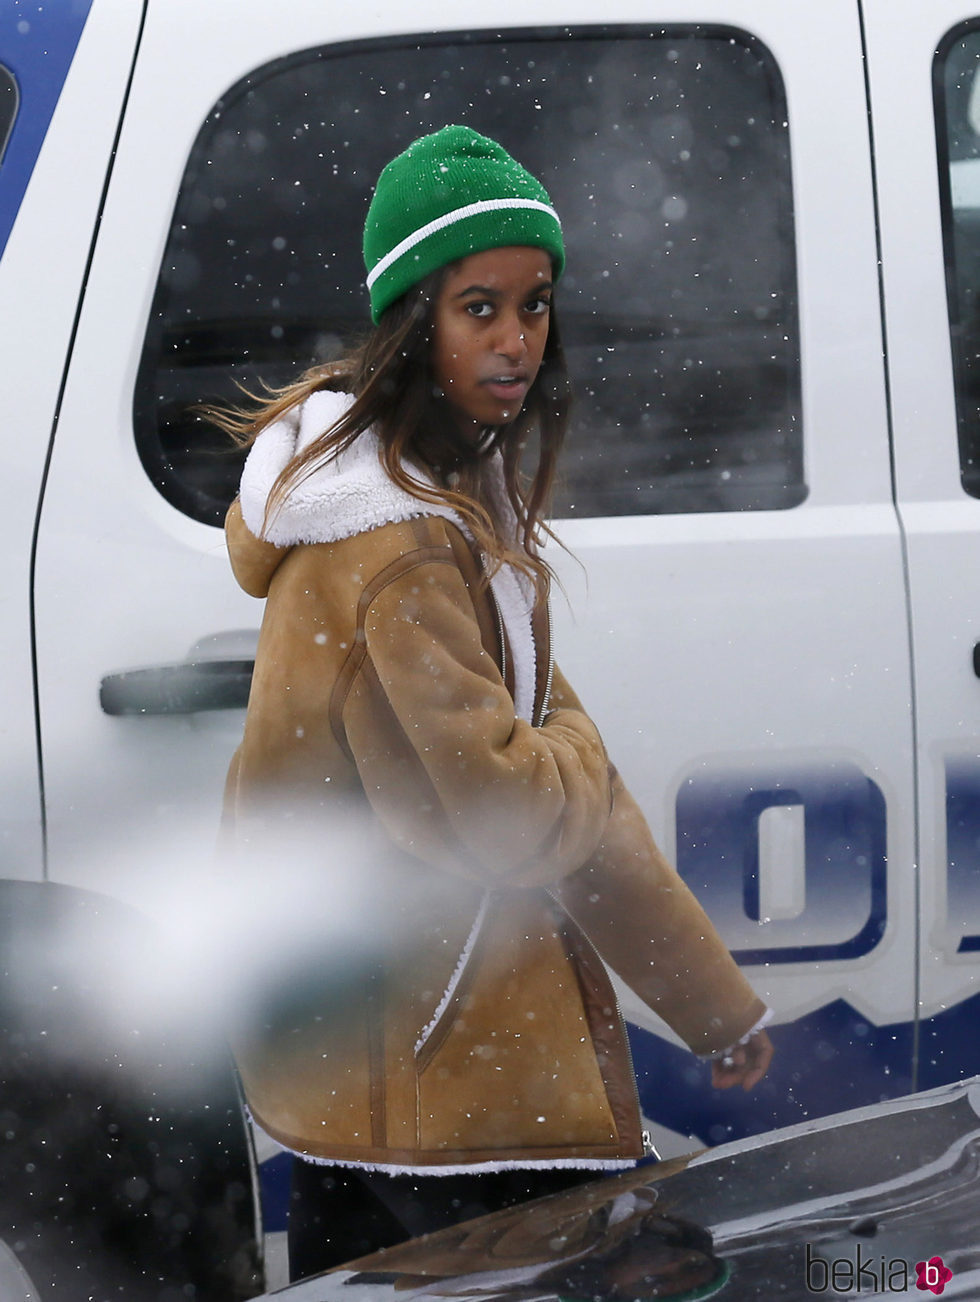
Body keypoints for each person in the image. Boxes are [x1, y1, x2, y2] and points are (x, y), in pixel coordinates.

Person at [215, 125, 773, 1280]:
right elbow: (521, 813)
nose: (518, 341)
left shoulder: (432, 498)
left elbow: (555, 807)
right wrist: (569, 742)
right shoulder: (402, 551)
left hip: (387, 1069)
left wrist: (710, 1007)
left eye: (535, 303)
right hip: (446, 1073)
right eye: (480, 307)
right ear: (413, 319)